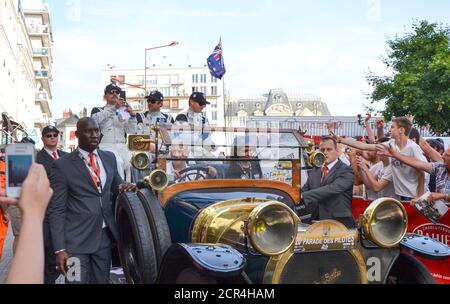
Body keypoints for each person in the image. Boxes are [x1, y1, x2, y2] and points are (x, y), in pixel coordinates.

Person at [48, 117, 136, 284]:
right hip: (74, 244)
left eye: (96, 131)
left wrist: (125, 186)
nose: (94, 135)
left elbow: (115, 184)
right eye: (89, 131)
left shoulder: (109, 158)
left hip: (103, 240)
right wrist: (59, 248)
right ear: (77, 135)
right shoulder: (62, 165)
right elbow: (56, 209)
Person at [328, 117, 427, 201]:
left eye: (392, 127)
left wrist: (420, 196)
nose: (389, 129)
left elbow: (422, 171)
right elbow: (364, 146)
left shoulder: (412, 147)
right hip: (402, 195)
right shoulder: (391, 144)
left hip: (414, 195)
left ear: (401, 130)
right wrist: (340, 140)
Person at [2, 164, 53, 284]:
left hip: (25, 202)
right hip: (16, 202)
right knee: (18, 235)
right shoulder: (6, 167)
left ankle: (20, 261)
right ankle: (18, 260)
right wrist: (34, 214)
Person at [297, 137, 356, 229]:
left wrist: (303, 196)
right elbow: (305, 189)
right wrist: (290, 196)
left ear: (337, 151)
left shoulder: (346, 170)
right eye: (322, 149)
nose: (325, 153)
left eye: (329, 149)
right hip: (315, 222)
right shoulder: (316, 170)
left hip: (340, 223)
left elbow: (331, 189)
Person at [36, 126, 68, 284]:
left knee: (73, 258)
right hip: (47, 214)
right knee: (50, 259)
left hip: (69, 213)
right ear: (43, 138)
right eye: (49, 135)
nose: (53, 137)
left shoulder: (67, 156)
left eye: (55, 135)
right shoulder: (37, 159)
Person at [91, 83, 137, 181]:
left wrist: (132, 115)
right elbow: (94, 121)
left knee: (133, 163)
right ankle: (119, 191)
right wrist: (114, 108)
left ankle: (130, 191)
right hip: (106, 145)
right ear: (105, 96)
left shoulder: (123, 111)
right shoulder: (98, 110)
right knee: (118, 162)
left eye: (117, 92)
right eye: (111, 92)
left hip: (122, 145)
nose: (115, 94)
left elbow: (131, 130)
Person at [377, 145, 450, 206]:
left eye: (447, 155)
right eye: (444, 154)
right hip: (442, 216)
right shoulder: (440, 167)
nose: (442, 157)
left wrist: (444, 196)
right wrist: (394, 154)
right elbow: (417, 163)